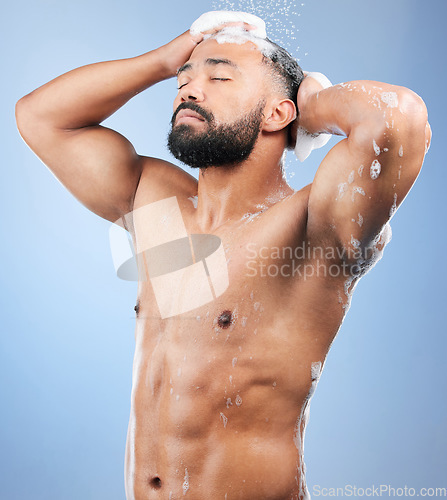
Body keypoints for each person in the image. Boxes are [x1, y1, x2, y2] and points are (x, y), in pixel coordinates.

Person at [15, 11, 431, 500]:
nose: (189, 89)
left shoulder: (314, 227)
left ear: (278, 113)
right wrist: (162, 60)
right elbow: (40, 117)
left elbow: (397, 118)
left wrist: (312, 103)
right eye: (184, 80)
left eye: (218, 77)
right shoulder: (155, 201)